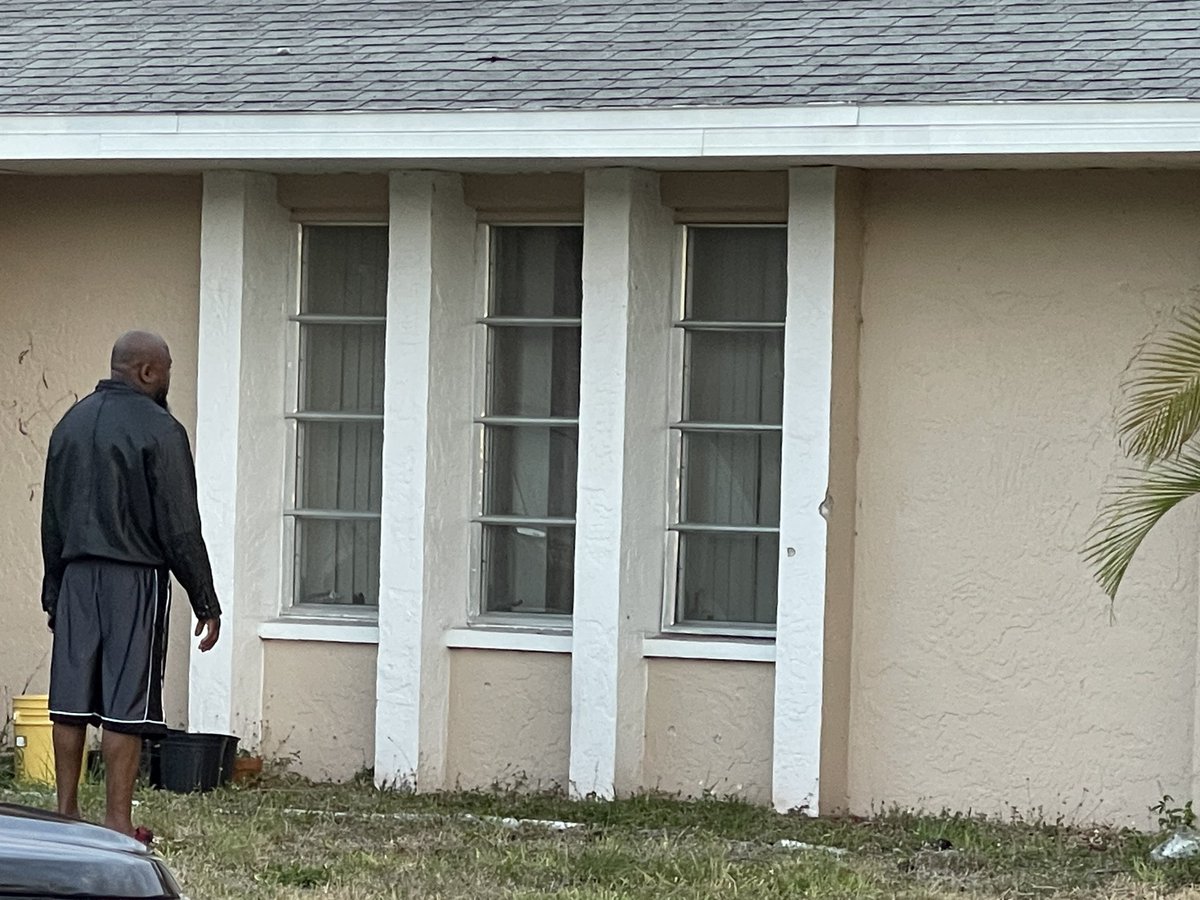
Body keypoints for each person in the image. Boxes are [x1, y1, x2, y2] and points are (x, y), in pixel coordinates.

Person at [40, 331, 221, 842]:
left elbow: (50, 517)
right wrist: (204, 598)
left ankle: (66, 814)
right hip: (133, 578)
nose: (168, 380)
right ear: (147, 372)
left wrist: (54, 589)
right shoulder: (161, 429)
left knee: (70, 698)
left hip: (75, 575)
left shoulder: (68, 423)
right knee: (127, 701)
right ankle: (117, 823)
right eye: (166, 370)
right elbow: (179, 523)